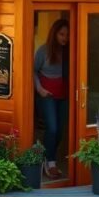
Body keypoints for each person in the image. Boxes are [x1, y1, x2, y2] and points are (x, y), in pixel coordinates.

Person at [34, 19, 69, 179]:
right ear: (54, 33)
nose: (65, 38)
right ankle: (51, 163)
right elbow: (33, 71)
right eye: (62, 34)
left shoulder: (69, 51)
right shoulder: (44, 50)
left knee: (60, 131)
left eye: (67, 35)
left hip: (64, 95)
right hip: (47, 94)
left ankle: (47, 157)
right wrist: (40, 89)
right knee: (52, 128)